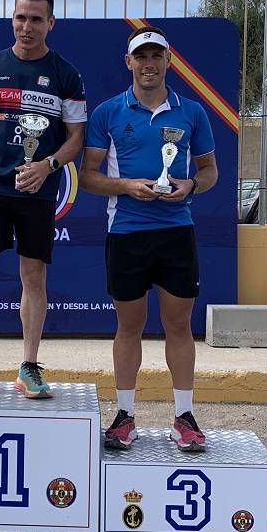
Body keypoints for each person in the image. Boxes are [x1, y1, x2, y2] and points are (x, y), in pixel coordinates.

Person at [79, 26, 218, 452]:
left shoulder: (191, 112)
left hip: (176, 231)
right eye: (141, 57)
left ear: (168, 62)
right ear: (129, 63)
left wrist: (189, 187)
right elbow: (88, 176)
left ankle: (184, 416)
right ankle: (125, 415)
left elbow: (209, 172)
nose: (149, 64)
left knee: (178, 326)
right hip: (127, 232)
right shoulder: (107, 112)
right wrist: (127, 187)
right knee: (129, 326)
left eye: (156, 56)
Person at [0, 0, 87, 399]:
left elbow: (76, 137)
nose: (27, 27)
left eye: (35, 19)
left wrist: (49, 165)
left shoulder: (65, 74)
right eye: (20, 18)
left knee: (34, 277)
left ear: (51, 23)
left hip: (38, 191)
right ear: (12, 19)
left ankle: (29, 365)